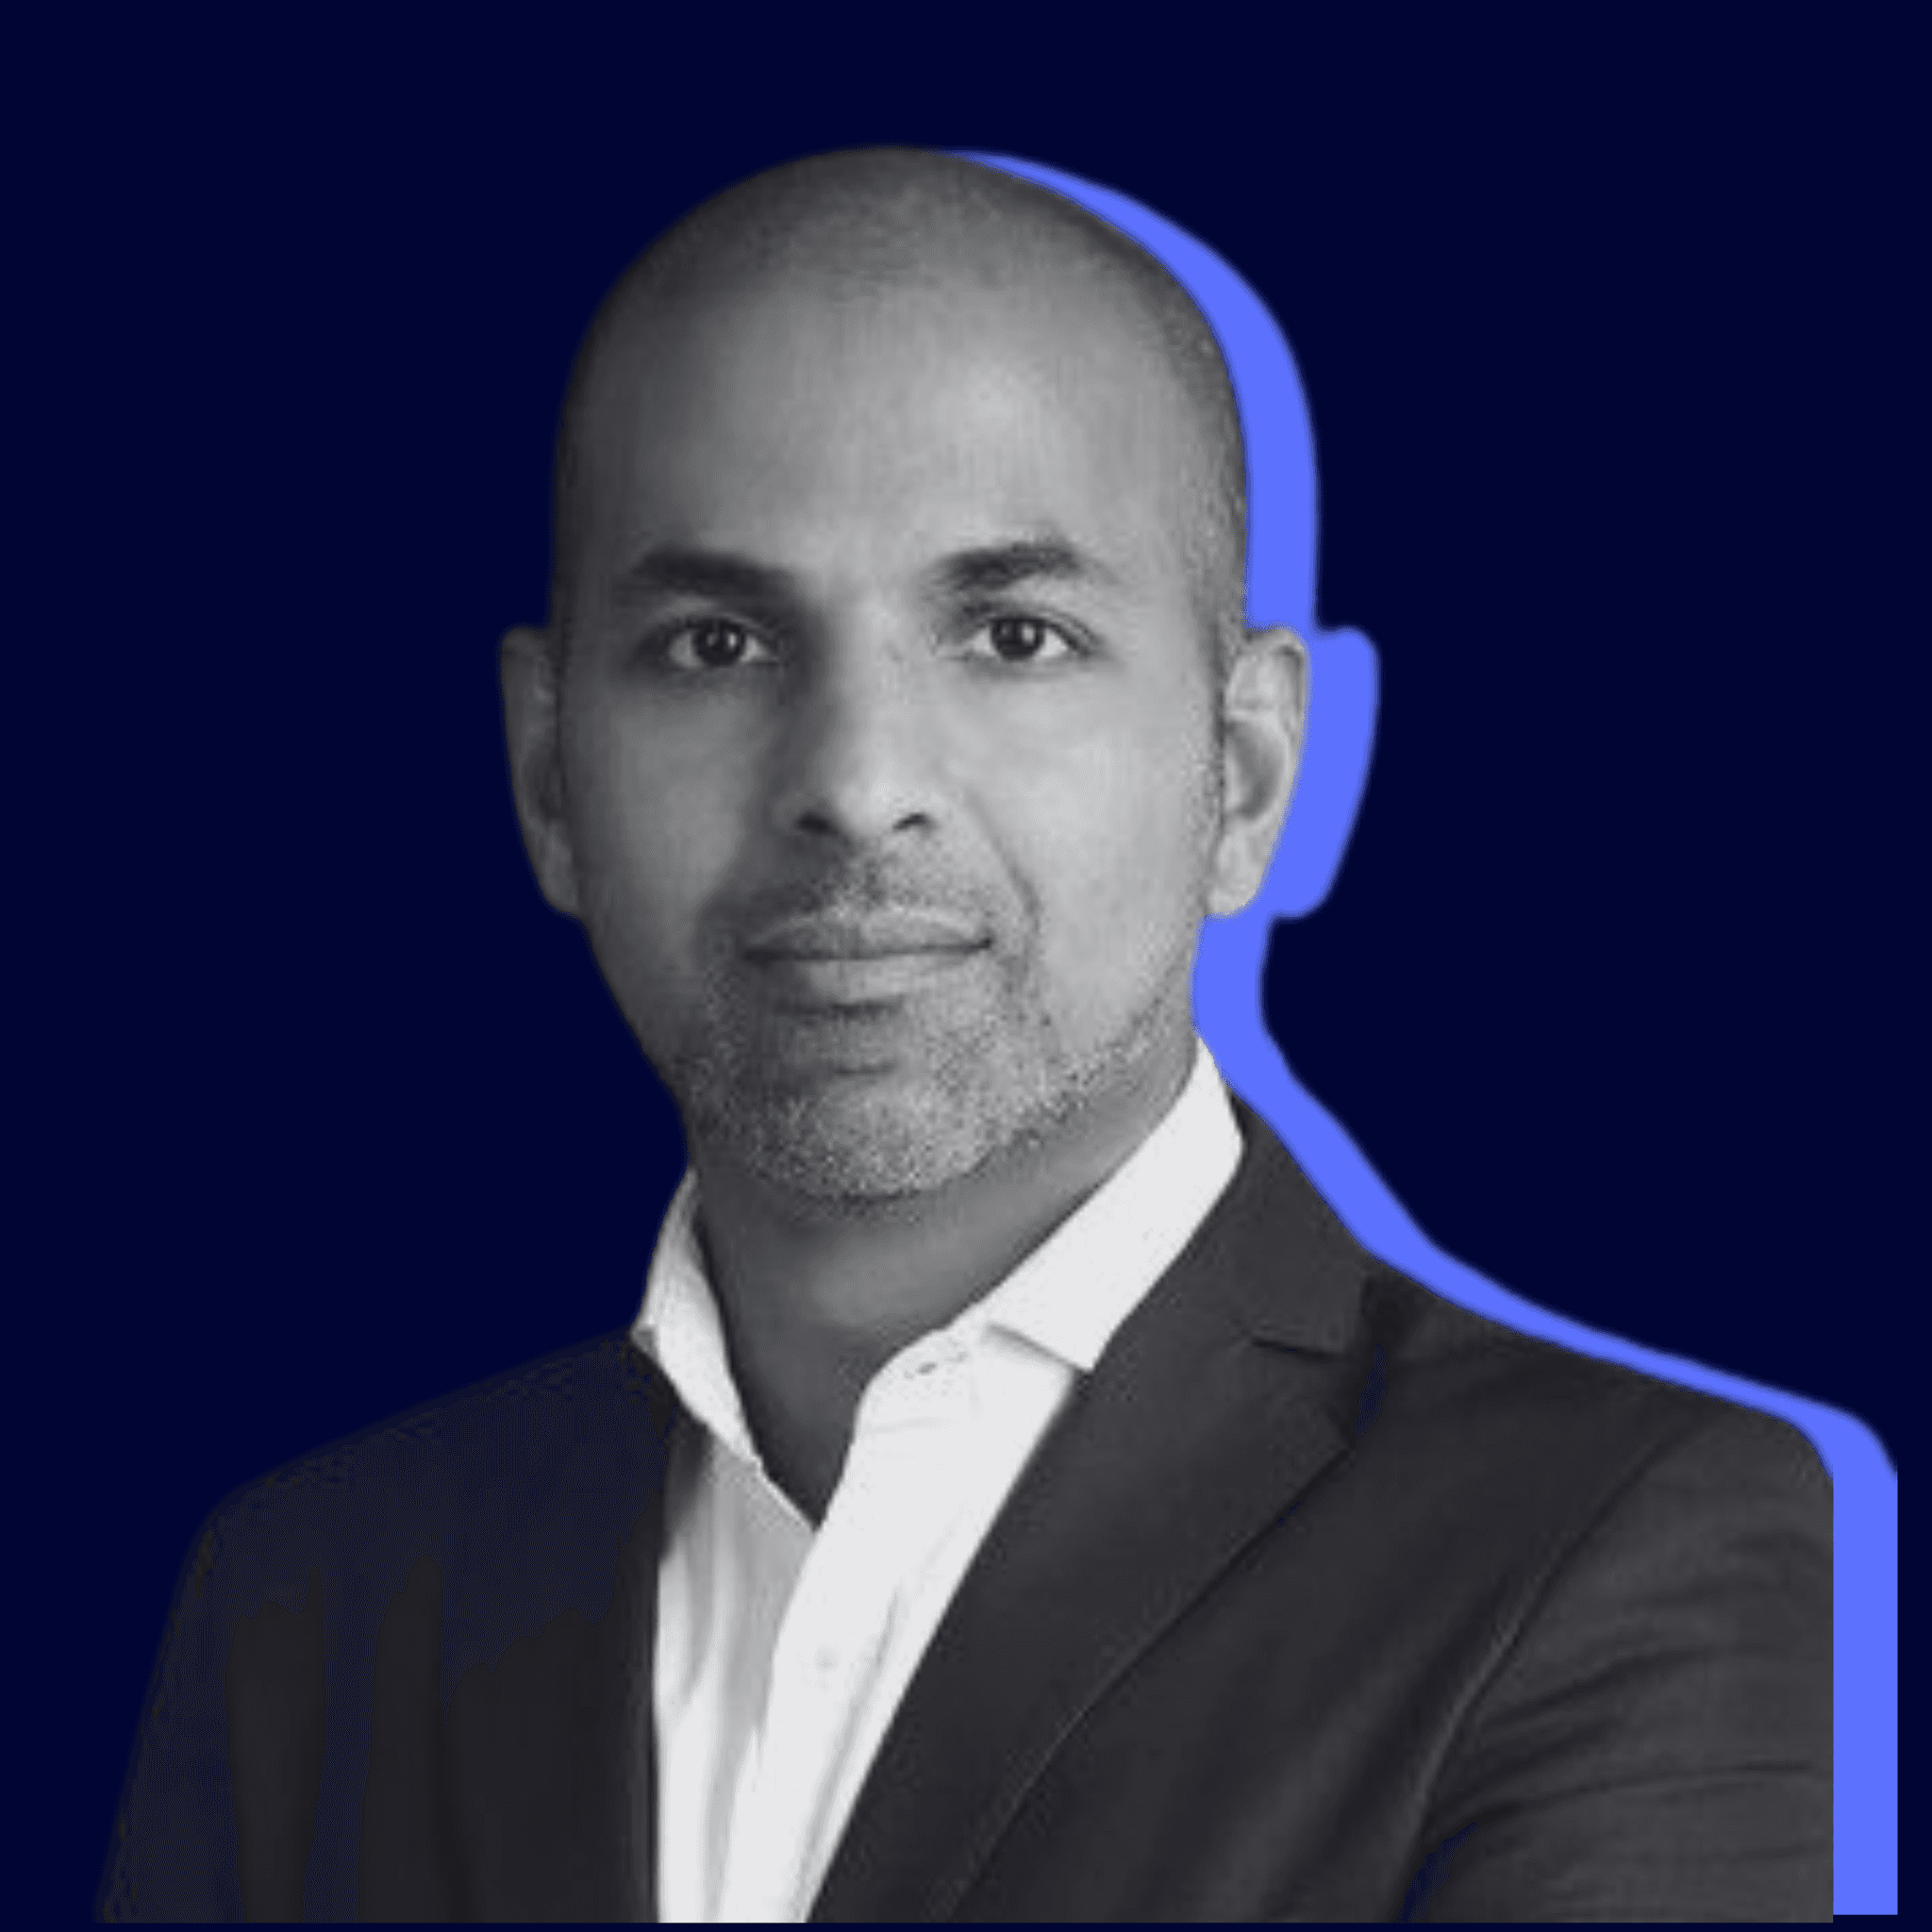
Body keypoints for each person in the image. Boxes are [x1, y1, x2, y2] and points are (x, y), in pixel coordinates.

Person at [97, 147, 1831, 1923]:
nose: (856, 786)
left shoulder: (1622, 1549)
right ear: (550, 778)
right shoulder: (307, 1602)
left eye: (1014, 635)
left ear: (1243, 778)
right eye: (716, 644)